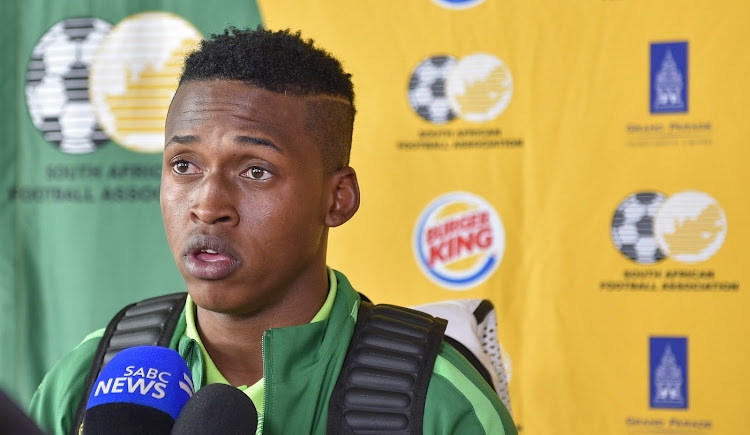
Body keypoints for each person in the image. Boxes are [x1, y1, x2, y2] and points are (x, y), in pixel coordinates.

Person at [29, 26, 517, 434]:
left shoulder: (438, 401)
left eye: (255, 171)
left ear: (337, 198)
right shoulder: (95, 373)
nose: (207, 204)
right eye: (184, 165)